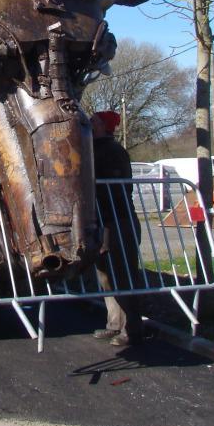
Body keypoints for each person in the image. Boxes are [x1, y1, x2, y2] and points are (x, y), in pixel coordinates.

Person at [90, 110, 144, 347]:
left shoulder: (112, 151)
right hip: (102, 220)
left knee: (123, 274)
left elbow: (115, 188)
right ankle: (114, 323)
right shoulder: (92, 148)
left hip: (117, 220)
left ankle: (133, 328)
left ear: (103, 126)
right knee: (105, 276)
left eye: (94, 121)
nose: (89, 123)